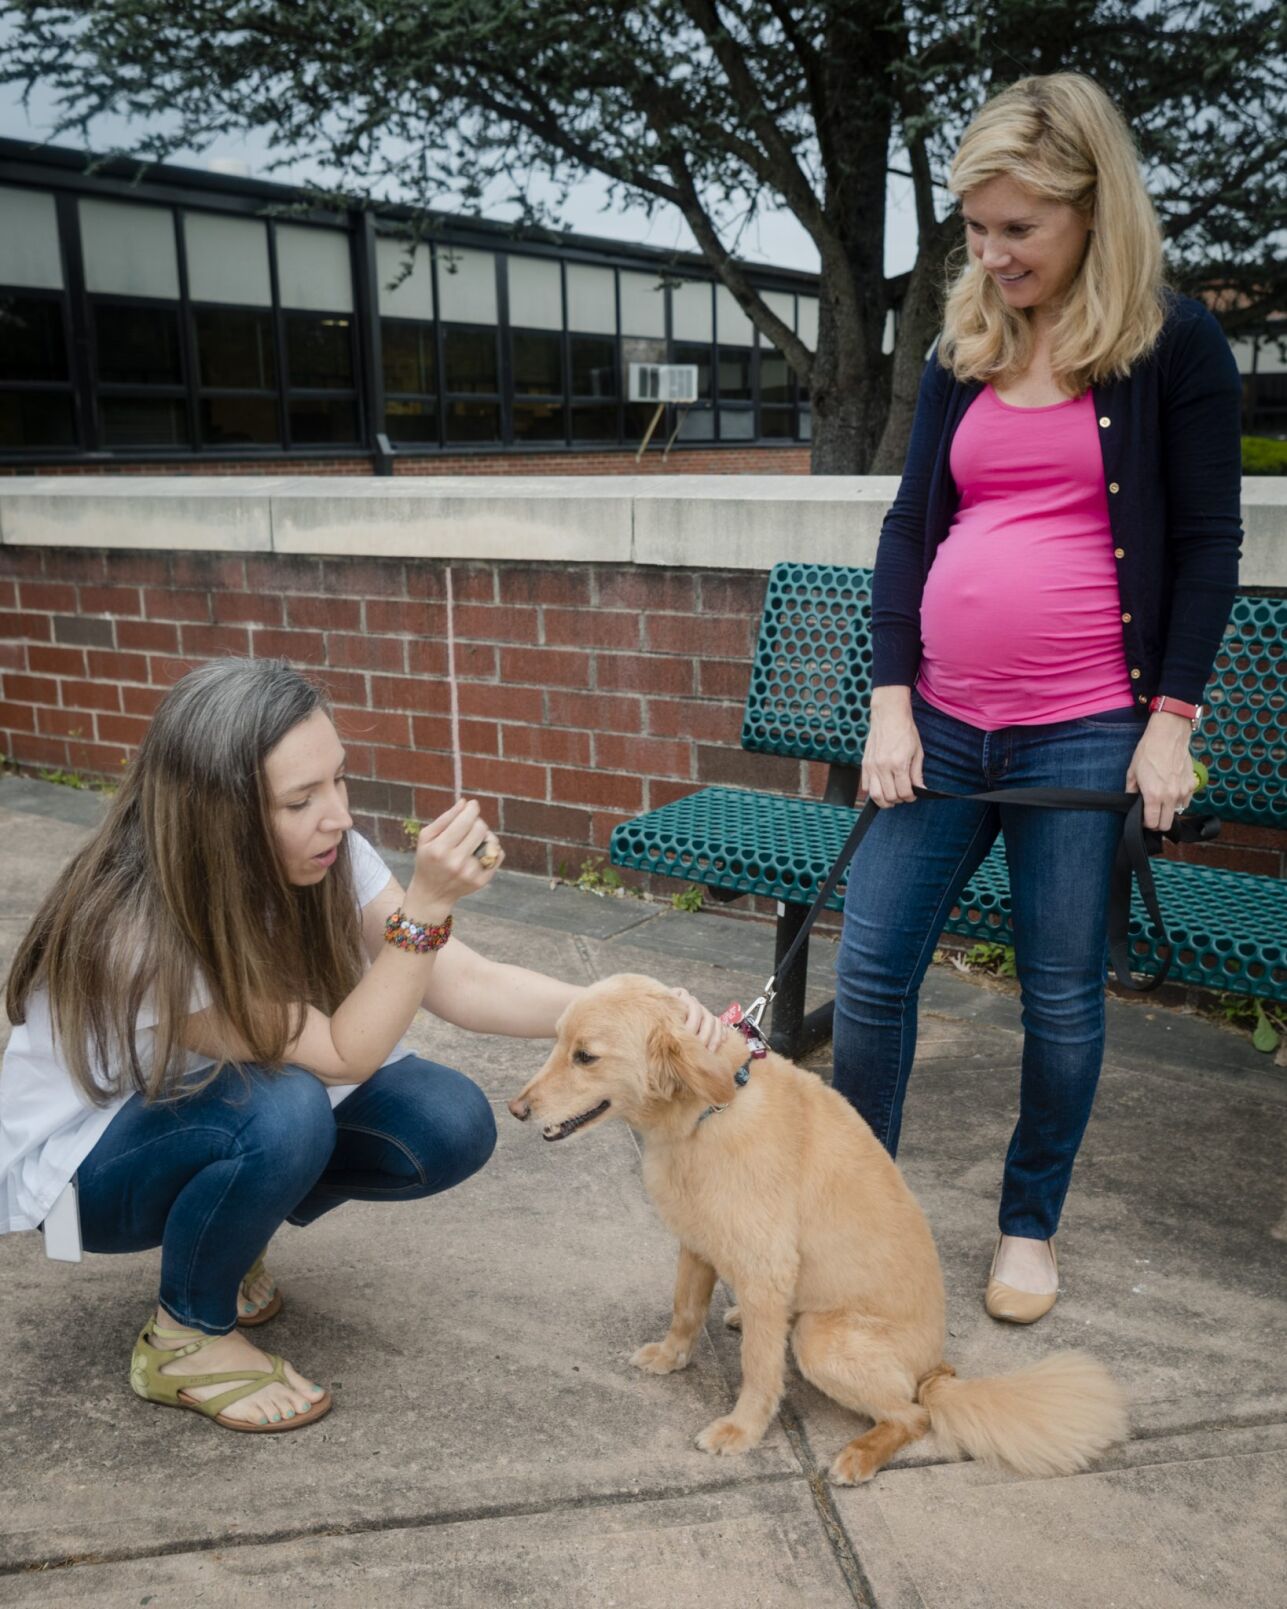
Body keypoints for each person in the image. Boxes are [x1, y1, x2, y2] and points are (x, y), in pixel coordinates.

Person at [1, 657, 725, 1432]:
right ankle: (183, 1337)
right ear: (220, 818)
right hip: (82, 1187)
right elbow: (344, 1052)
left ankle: (226, 1235)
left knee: (445, 1118)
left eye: (338, 781)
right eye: (300, 799)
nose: (337, 815)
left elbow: (465, 982)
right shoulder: (140, 935)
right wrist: (428, 905)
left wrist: (643, 1010)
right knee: (286, 1106)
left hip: (198, 1118)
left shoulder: (322, 853)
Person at [832, 73, 1242, 1323]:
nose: (993, 253)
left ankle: (1028, 1224)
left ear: (1091, 211)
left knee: (1061, 990)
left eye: (1022, 229)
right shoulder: (969, 341)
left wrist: (1169, 723)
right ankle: (859, 1226)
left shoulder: (1174, 344)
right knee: (869, 973)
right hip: (943, 722)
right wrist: (890, 699)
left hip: (1083, 724)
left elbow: (1209, 543)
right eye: (976, 227)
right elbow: (914, 525)